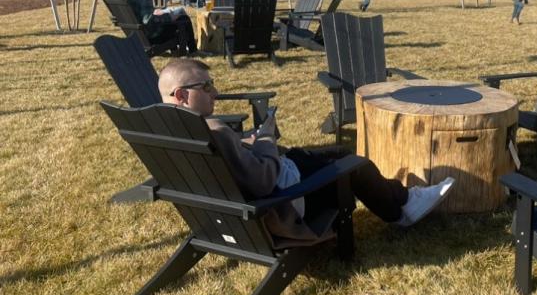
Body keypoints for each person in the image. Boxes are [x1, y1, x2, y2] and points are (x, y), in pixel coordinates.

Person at [158, 58, 454, 246]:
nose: (215, 92)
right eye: (207, 86)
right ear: (182, 95)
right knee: (353, 163)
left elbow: (234, 168)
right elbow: (262, 181)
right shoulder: (214, 131)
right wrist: (265, 139)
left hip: (233, 210)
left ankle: (402, 196)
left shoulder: (165, 132)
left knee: (335, 151)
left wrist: (246, 144)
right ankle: (402, 210)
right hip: (284, 201)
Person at [121, 0, 200, 55]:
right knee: (184, 19)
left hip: (136, 35)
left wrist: (156, 13)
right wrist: (168, 16)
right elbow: (148, 21)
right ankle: (192, 51)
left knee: (176, 19)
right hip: (151, 36)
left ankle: (177, 50)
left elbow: (143, 15)